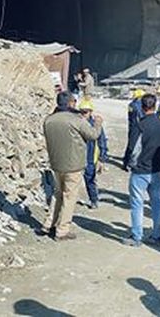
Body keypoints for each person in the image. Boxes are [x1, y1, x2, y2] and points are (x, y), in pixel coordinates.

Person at [39, 91, 102, 241]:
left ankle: (49, 224)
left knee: (57, 194)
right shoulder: (76, 120)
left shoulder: (49, 120)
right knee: (69, 197)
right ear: (70, 103)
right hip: (73, 165)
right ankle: (62, 230)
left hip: (56, 163)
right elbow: (93, 135)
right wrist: (98, 123)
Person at [124, 94, 160, 247]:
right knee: (157, 203)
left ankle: (137, 236)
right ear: (155, 106)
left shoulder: (140, 125)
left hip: (140, 170)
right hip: (157, 170)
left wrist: (126, 162)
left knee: (137, 203)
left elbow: (132, 147)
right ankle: (156, 235)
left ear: (142, 107)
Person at [78, 98, 109, 209]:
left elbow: (102, 142)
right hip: (77, 158)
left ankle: (94, 199)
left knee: (90, 180)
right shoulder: (77, 123)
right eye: (81, 112)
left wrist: (102, 159)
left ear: (90, 112)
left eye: (85, 112)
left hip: (90, 158)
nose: (83, 114)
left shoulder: (95, 125)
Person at [123, 88, 146, 171]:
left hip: (136, 127)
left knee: (136, 146)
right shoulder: (135, 105)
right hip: (135, 127)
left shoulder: (135, 104)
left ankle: (129, 162)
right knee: (132, 146)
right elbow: (138, 117)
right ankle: (127, 163)